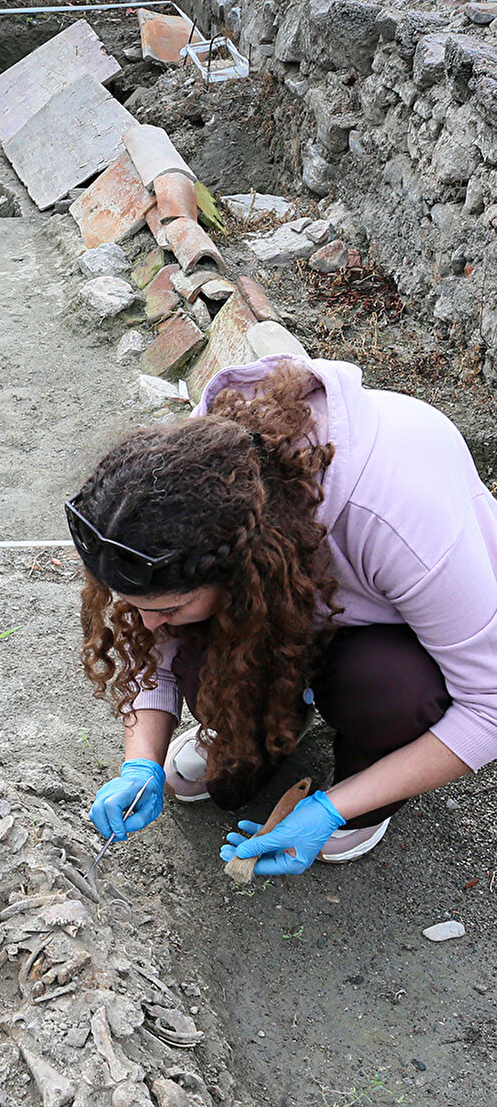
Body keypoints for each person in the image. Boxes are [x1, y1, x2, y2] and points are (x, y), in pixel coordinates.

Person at [68, 354, 497, 877]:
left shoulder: (402, 522)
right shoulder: (193, 476)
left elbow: (489, 709)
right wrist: (142, 759)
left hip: (393, 630)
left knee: (392, 691)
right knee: (220, 724)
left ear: (244, 564)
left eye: (169, 609)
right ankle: (272, 730)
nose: (151, 623)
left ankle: (362, 788)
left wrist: (330, 808)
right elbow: (155, 623)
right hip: (279, 603)